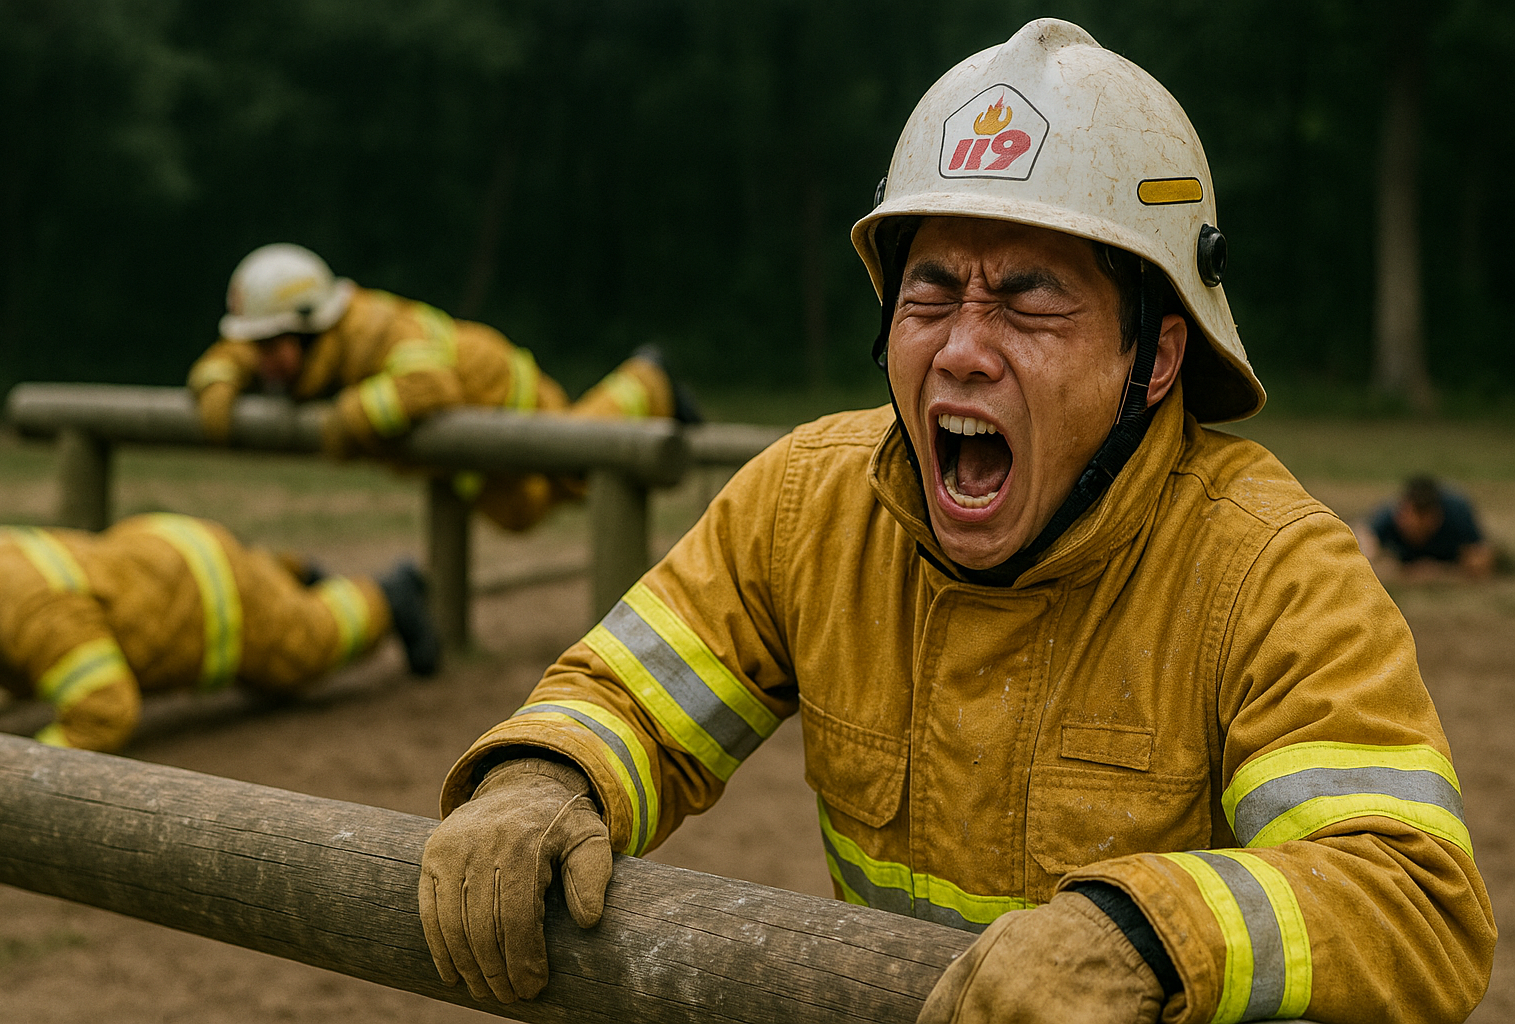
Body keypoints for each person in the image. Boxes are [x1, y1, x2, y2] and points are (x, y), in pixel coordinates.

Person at [417, 19, 1494, 1024]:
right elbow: (627, 701)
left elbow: (1412, 901)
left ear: (1157, 358)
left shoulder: (1270, 571)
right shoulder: (807, 508)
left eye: (1030, 301)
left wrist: (1142, 936)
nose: (963, 348)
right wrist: (544, 777)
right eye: (930, 295)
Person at [188, 244, 696, 532]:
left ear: (310, 328)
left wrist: (348, 419)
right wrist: (216, 381)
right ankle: (647, 383)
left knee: (576, 469)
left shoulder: (374, 330)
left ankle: (648, 379)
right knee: (521, 514)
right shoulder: (295, 346)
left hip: (504, 395)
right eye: (256, 346)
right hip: (475, 431)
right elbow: (236, 352)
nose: (263, 361)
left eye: (272, 346)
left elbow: (429, 386)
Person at [0, 513, 438, 753]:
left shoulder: (35, 616)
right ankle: (290, 571)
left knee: (307, 647)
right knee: (268, 591)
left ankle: (390, 594)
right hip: (159, 550)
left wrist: (20, 768)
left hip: (211, 598)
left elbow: (104, 708)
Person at [1360, 475, 1495, 581]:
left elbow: (1480, 560)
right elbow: (1365, 546)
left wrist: (1439, 571)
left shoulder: (1457, 512)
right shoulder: (1390, 514)